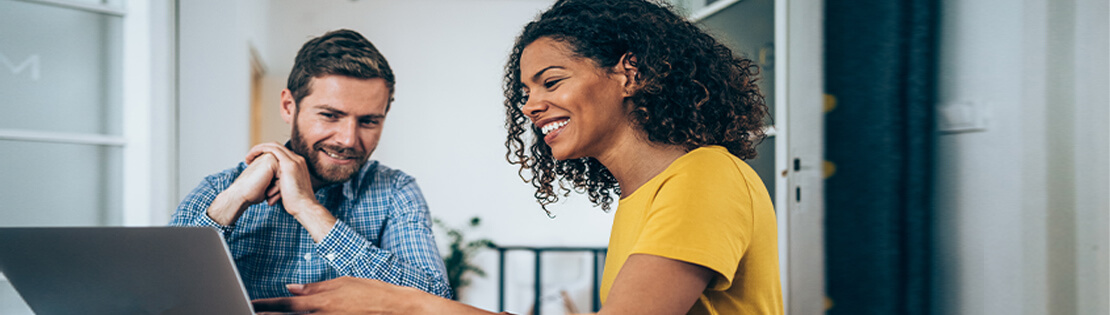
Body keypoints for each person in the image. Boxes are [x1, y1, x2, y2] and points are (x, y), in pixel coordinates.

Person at [252, 0, 782, 313]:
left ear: (629, 72)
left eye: (550, 81)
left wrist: (399, 303)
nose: (530, 105)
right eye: (525, 91)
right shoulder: (641, 199)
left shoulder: (704, 177)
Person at [170, 29, 452, 300]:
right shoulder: (220, 188)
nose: (348, 139)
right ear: (288, 107)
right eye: (330, 115)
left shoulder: (395, 191)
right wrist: (233, 201)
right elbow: (161, 291)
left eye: (368, 121)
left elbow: (434, 300)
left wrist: (308, 208)